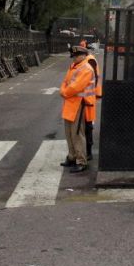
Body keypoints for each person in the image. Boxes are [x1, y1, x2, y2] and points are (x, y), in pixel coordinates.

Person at [59, 45, 97, 174]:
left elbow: (75, 87)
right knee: (69, 133)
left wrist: (64, 92)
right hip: (70, 104)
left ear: (83, 55)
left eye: (75, 56)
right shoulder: (75, 66)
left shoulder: (86, 68)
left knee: (77, 134)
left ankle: (81, 161)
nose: (73, 58)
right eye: (73, 56)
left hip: (78, 104)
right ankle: (72, 157)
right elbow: (65, 82)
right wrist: (64, 90)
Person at [82, 50, 102, 163]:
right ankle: (87, 151)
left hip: (88, 98)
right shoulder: (90, 59)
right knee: (87, 125)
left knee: (88, 126)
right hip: (88, 97)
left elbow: (91, 80)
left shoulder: (89, 60)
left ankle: (88, 152)